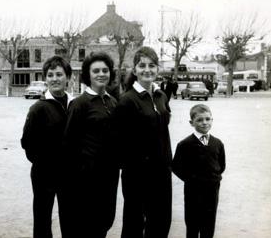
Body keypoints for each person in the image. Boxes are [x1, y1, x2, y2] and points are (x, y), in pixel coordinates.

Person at [114, 46, 172, 238]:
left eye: (152, 65)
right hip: (138, 176)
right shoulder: (127, 100)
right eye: (142, 65)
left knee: (161, 222)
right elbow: (120, 142)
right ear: (135, 69)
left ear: (157, 68)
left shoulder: (160, 96)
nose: (147, 69)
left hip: (162, 173)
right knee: (134, 225)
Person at [63, 51, 120, 238]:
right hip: (86, 179)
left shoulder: (112, 103)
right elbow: (69, 144)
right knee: (87, 226)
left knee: (104, 222)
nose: (101, 74)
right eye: (96, 70)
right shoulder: (79, 104)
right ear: (88, 75)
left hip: (109, 176)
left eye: (105, 70)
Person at [21, 56, 74, 238]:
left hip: (70, 174)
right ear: (45, 78)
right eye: (50, 75)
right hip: (44, 174)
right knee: (43, 220)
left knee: (70, 218)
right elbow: (27, 143)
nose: (54, 79)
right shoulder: (38, 108)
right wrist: (46, 163)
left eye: (59, 74)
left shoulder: (75, 106)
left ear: (68, 77)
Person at [172, 104, 226, 238]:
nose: (204, 123)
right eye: (200, 120)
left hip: (212, 190)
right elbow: (176, 166)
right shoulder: (185, 144)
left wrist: (214, 177)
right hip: (193, 191)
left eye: (208, 119)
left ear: (212, 120)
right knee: (192, 224)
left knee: (209, 223)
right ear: (191, 123)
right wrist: (191, 179)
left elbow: (221, 164)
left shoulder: (217, 143)